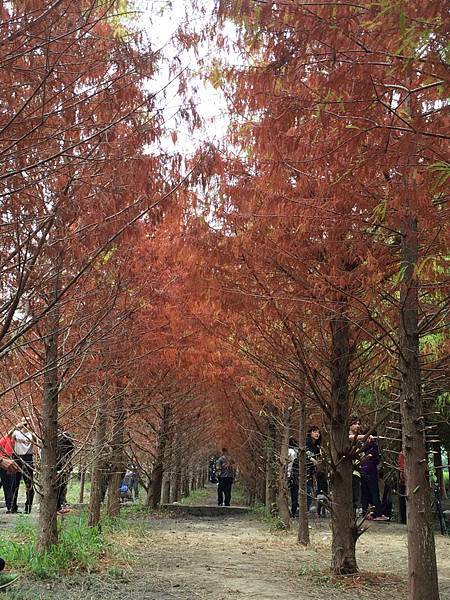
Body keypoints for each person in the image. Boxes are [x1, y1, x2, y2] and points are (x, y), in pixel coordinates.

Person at [360, 434, 389, 521]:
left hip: (363, 471)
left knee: (365, 494)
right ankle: (377, 513)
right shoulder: (373, 446)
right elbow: (376, 459)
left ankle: (366, 513)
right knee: (374, 493)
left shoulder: (363, 447)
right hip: (370, 472)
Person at [11, 418, 37, 514]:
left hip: (27, 458)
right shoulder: (17, 433)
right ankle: (14, 506)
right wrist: (18, 426)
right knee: (15, 483)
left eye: (28, 422)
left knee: (28, 483)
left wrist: (29, 428)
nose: (27, 424)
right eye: (26, 422)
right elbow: (10, 436)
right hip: (18, 458)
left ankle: (27, 506)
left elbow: (36, 439)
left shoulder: (30, 434)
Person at [56, 429, 75, 514]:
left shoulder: (67, 447)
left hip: (63, 466)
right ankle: (58, 506)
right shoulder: (57, 445)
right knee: (59, 487)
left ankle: (60, 505)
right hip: (59, 467)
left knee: (62, 487)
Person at [0, 431, 17, 513]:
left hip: (8, 463)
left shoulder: (12, 441)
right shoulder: (4, 439)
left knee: (9, 486)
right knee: (8, 486)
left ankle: (10, 506)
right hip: (5, 464)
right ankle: (9, 507)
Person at [306, 426, 322, 512]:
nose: (317, 434)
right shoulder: (306, 442)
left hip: (312, 472)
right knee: (307, 491)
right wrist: (312, 460)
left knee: (311, 490)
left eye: (318, 432)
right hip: (303, 470)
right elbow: (304, 453)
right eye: (315, 431)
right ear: (310, 433)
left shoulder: (317, 446)